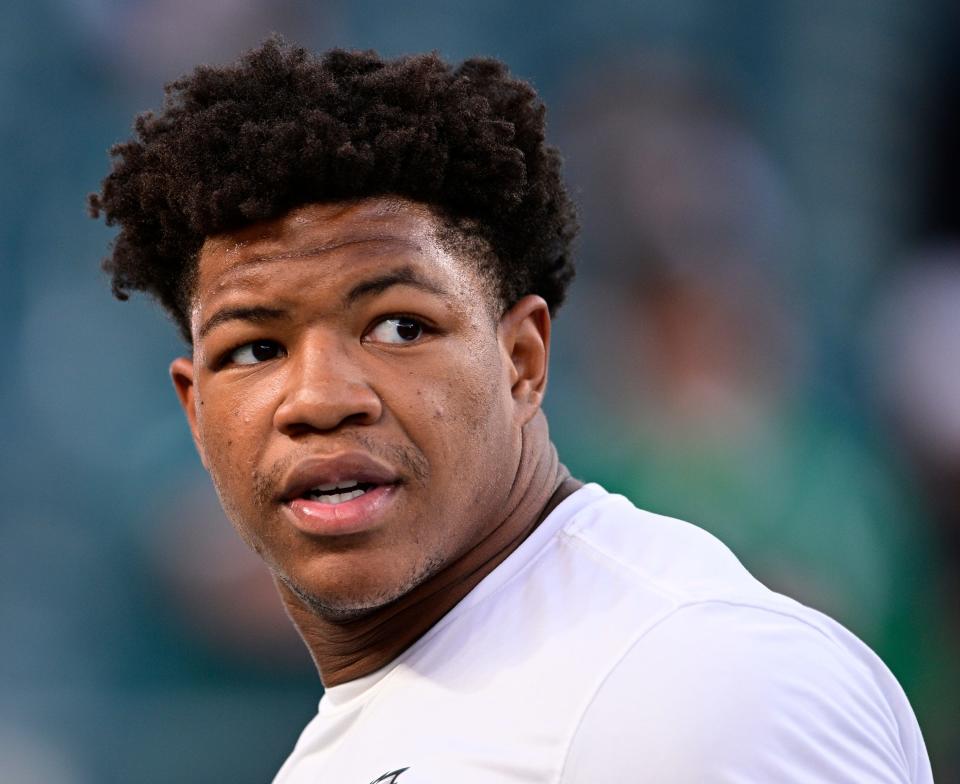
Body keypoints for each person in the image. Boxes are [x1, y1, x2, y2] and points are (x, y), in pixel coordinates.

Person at [90, 38, 933, 783]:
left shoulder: (687, 680)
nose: (319, 398)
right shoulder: (353, 742)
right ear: (197, 414)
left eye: (398, 326)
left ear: (522, 360)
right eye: (255, 349)